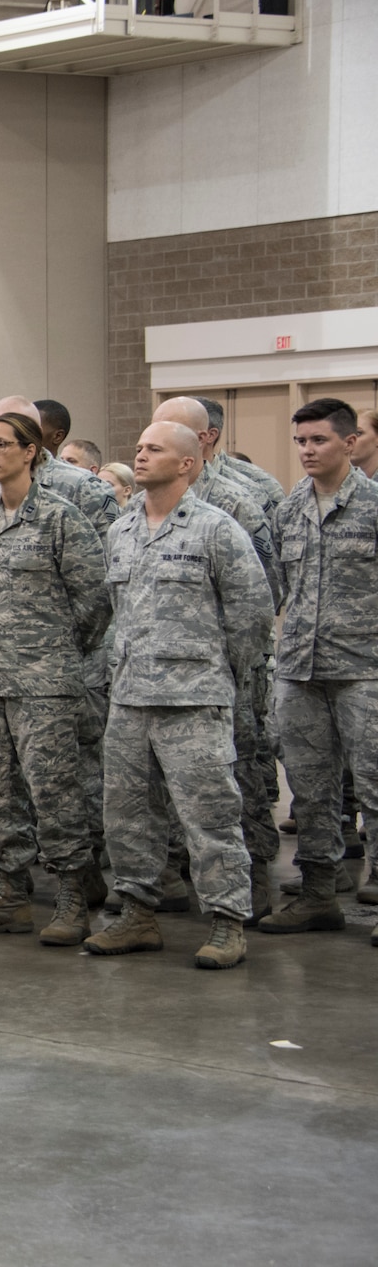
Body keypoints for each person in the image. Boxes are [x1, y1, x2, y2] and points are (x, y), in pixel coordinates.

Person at [84, 421, 272, 969]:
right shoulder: (121, 530)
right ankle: (138, 915)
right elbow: (115, 614)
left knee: (209, 816)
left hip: (192, 701)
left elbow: (252, 614)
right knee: (128, 816)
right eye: (138, 448)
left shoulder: (216, 529)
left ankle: (227, 921)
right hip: (130, 699)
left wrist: (215, 676)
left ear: (187, 462)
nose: (139, 457)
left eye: (154, 449)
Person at [0, 413, 111, 943]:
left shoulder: (60, 518)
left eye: (1, 445)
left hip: (45, 682)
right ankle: (12, 895)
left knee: (55, 791)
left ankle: (70, 898)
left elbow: (94, 600)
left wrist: (56, 649)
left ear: (31, 451)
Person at [262, 398, 378, 941]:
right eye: (301, 442)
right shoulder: (288, 511)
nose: (307, 451)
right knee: (309, 789)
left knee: (375, 787)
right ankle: (317, 895)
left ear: (350, 443)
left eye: (319, 441)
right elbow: (274, 589)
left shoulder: (374, 507)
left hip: (365, 670)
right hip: (300, 672)